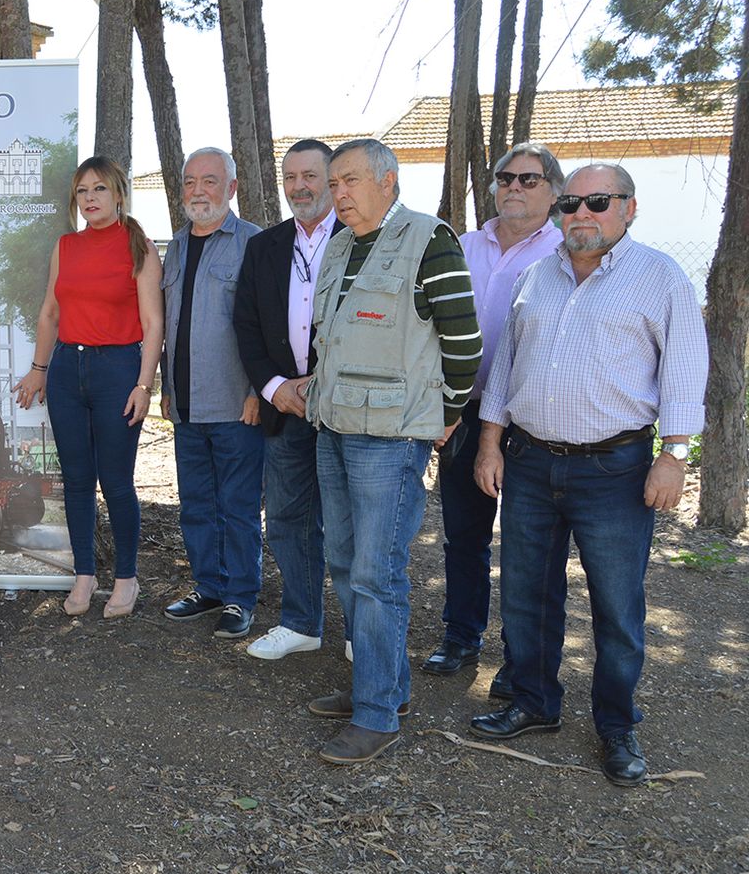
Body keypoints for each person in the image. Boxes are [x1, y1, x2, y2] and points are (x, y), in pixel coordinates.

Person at [469, 163, 707, 787]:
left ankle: (617, 725)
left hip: (615, 471)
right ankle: (533, 702)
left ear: (629, 207)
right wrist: (490, 443)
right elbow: (505, 368)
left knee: (617, 605)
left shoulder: (660, 277)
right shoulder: (535, 276)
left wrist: (674, 455)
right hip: (529, 461)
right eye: (570, 202)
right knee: (526, 593)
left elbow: (685, 369)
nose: (581, 213)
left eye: (598, 201)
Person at [283, 138, 481, 765]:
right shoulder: (342, 244)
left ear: (388, 181)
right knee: (345, 562)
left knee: (376, 572)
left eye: (350, 181)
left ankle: (376, 715)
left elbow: (464, 343)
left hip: (389, 439)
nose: (338, 193)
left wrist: (445, 415)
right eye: (334, 183)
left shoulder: (429, 241)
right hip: (334, 428)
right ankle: (382, 684)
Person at [420, 142, 565, 691]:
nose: (514, 188)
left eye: (529, 179)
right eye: (506, 178)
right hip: (463, 410)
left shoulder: (564, 253)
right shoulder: (462, 245)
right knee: (464, 534)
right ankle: (461, 636)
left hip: (530, 420)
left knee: (530, 549)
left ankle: (521, 660)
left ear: (553, 192)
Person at [15, 156, 165, 619]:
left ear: (118, 194)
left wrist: (144, 385)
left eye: (99, 189)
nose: (90, 198)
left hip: (117, 370)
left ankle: (126, 577)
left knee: (116, 481)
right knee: (77, 480)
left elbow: (153, 323)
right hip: (66, 370)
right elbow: (49, 313)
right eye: (82, 191)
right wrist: (39, 368)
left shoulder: (139, 247)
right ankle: (84, 574)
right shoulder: (66, 246)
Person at [233, 139, 339, 660]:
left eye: (310, 176)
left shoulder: (360, 238)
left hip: (344, 408)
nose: (299, 186)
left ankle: (362, 633)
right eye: (290, 177)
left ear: (332, 180)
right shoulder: (265, 246)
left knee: (350, 525)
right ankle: (301, 623)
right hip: (287, 407)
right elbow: (246, 324)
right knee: (287, 519)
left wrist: (322, 383)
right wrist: (275, 388)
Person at [155, 148, 262, 635]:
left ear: (232, 188)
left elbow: (269, 324)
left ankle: (240, 597)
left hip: (236, 402)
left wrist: (258, 390)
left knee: (238, 506)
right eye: (190, 181)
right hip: (185, 403)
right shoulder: (175, 247)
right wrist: (165, 386)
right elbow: (169, 323)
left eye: (210, 181)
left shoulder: (253, 244)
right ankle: (209, 586)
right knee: (196, 503)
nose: (198, 190)